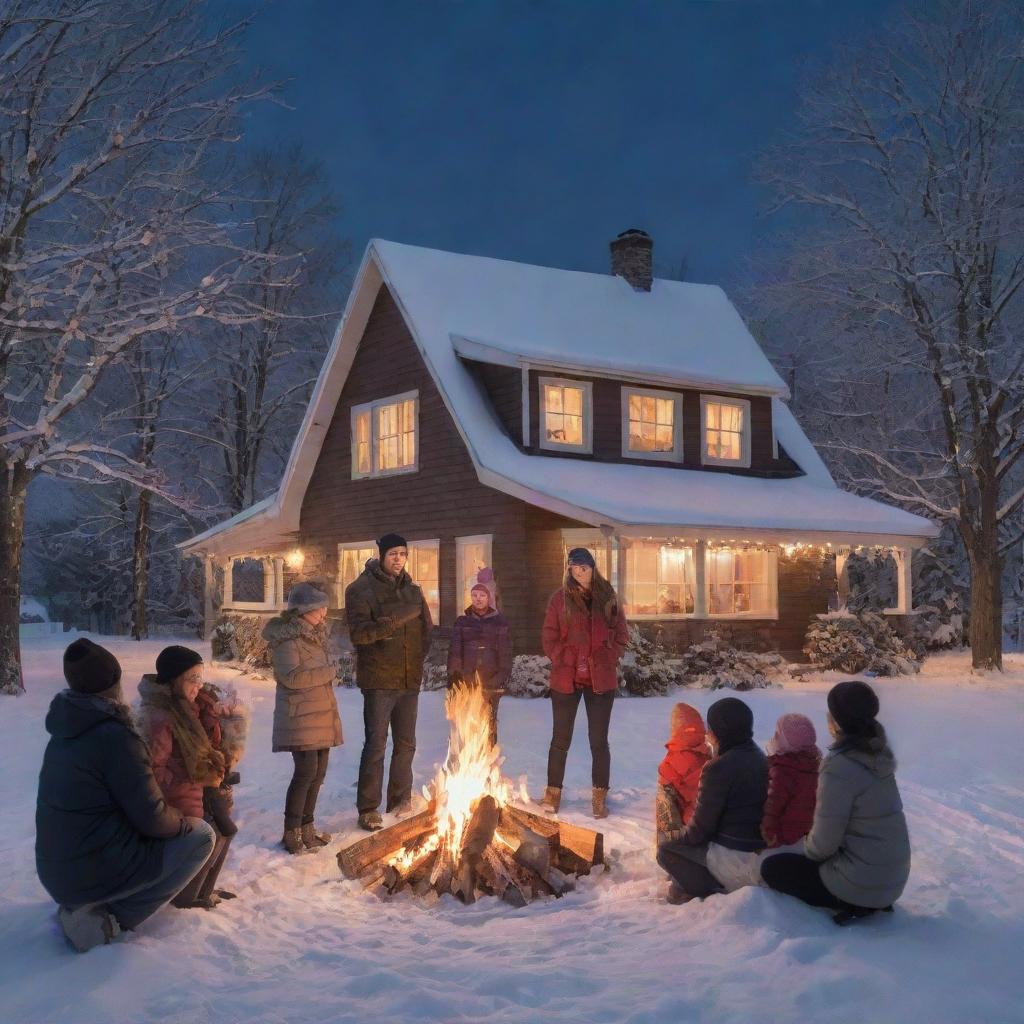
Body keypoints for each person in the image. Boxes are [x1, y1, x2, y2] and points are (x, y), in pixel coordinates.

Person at [36, 639, 215, 952]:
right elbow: (153, 818)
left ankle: (85, 906)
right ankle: (108, 921)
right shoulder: (116, 736)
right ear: (114, 684)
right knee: (200, 835)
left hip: (57, 870)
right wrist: (182, 822)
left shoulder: (66, 730)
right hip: (89, 870)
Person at [761, 681, 911, 924]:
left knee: (773, 867)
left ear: (838, 720)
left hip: (860, 884)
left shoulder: (839, 766)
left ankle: (852, 902)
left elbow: (823, 845)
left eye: (831, 713)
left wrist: (803, 847)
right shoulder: (878, 753)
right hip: (892, 880)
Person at [136, 647, 245, 909]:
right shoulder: (160, 716)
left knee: (224, 830)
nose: (199, 685)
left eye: (200, 677)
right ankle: (187, 894)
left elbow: (212, 747)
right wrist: (195, 780)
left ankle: (204, 889)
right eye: (192, 678)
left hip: (200, 793)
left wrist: (219, 718)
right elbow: (153, 771)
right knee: (213, 833)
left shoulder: (190, 709)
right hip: (178, 802)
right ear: (174, 680)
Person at [346, 533, 432, 832]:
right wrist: (393, 623)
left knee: (406, 744)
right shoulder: (361, 589)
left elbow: (426, 632)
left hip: (408, 680)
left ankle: (399, 800)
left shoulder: (413, 590)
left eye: (403, 554)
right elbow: (359, 634)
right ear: (381, 555)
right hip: (380, 681)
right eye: (393, 553)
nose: (399, 559)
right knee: (376, 744)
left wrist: (417, 661)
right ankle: (368, 808)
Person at [540, 547, 629, 819]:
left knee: (598, 741)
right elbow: (549, 636)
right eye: (574, 566)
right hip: (566, 678)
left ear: (593, 568)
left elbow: (621, 634)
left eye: (584, 566)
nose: (578, 571)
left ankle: (599, 796)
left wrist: (608, 655)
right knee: (560, 739)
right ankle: (553, 792)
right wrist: (563, 657)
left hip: (600, 680)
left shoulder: (608, 598)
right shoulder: (559, 599)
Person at [656, 697, 767, 903]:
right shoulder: (760, 757)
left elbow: (700, 831)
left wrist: (678, 843)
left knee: (666, 851)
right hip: (760, 852)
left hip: (735, 858)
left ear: (719, 731)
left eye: (711, 728)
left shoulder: (718, 767)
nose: (708, 734)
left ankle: (703, 889)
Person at [262, 583, 343, 854]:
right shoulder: (287, 639)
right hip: (299, 715)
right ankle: (291, 831)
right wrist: (329, 672)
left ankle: (307, 828)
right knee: (305, 772)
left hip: (319, 713)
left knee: (318, 773)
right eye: (320, 608)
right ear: (305, 610)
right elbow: (291, 677)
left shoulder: (314, 636)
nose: (324, 613)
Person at [447, 567, 512, 747]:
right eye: (474, 595)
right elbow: (455, 651)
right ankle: (467, 761)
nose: (478, 599)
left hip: (491, 682)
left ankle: (488, 763)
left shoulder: (500, 622)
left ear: (489, 597)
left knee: (488, 725)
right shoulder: (462, 622)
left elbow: (505, 654)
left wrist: (500, 678)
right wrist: (456, 676)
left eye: (482, 595)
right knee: (467, 724)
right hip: (467, 681)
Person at [760, 713, 820, 850]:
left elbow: (773, 803)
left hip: (781, 837)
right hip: (806, 834)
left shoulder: (783, 770)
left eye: (778, 734)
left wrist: (767, 832)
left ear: (786, 741)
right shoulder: (815, 765)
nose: (774, 738)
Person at [655, 702, 711, 846]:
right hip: (712, 818)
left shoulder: (671, 762)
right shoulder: (710, 755)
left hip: (692, 823)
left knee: (664, 793)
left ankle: (668, 842)